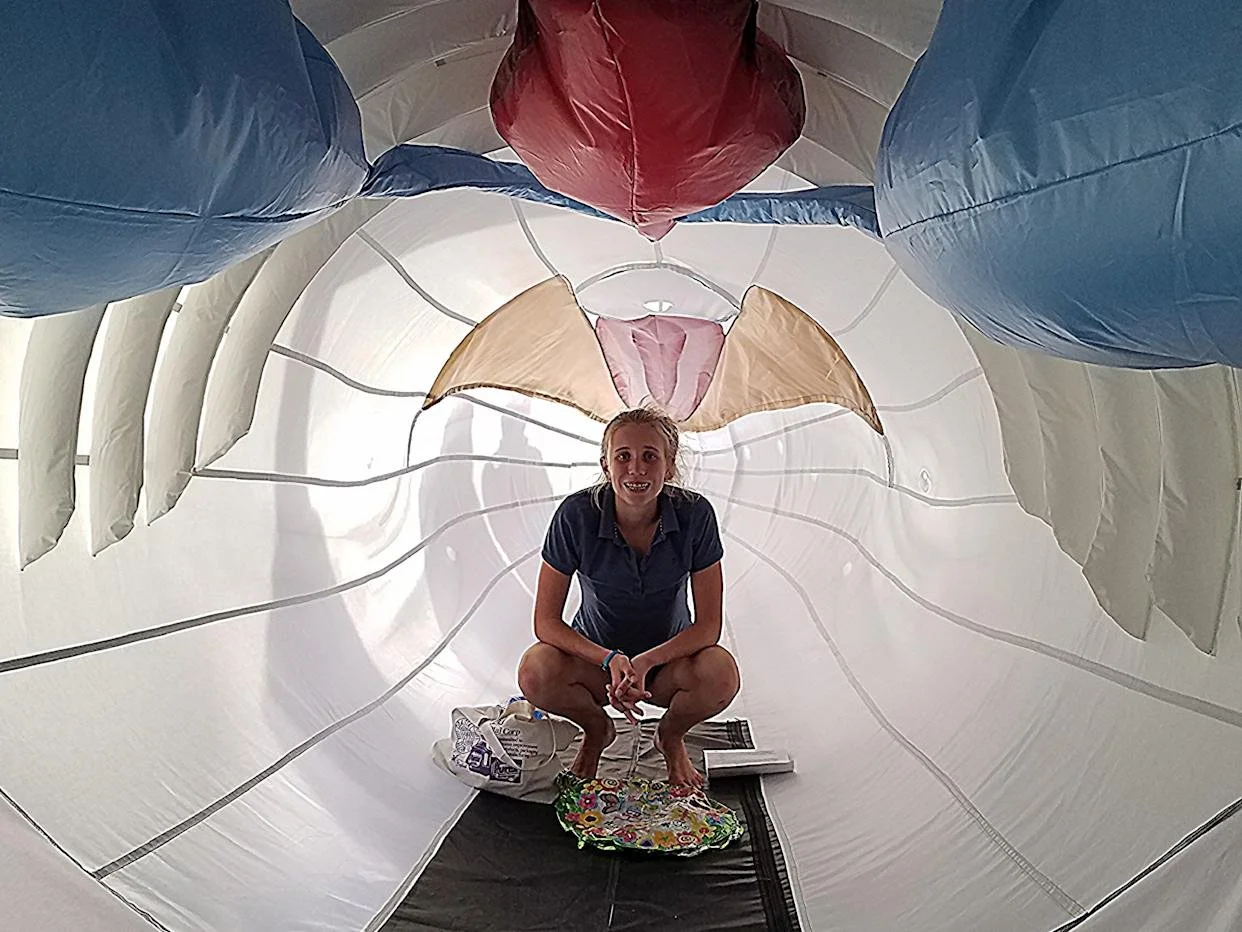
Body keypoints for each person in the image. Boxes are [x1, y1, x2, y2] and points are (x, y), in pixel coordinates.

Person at [517, 408, 741, 787]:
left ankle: (669, 738)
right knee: (534, 670)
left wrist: (646, 662)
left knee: (721, 674)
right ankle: (596, 729)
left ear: (669, 467)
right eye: (624, 457)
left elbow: (708, 627)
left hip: (667, 666)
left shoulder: (695, 514)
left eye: (650, 456)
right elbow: (546, 623)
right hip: (596, 664)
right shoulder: (576, 515)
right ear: (606, 465)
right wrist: (611, 658)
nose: (636, 469)